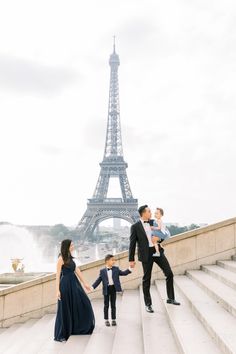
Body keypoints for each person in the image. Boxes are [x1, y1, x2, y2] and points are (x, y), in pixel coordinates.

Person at [129, 205, 180, 313]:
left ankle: (170, 298)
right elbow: (132, 244)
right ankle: (148, 304)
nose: (151, 213)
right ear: (143, 213)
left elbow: (165, 233)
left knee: (169, 273)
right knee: (146, 279)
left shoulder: (154, 222)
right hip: (145, 254)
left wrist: (159, 240)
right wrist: (131, 259)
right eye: (149, 211)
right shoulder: (135, 227)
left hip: (157, 251)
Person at [54, 239, 95, 342]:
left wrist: (85, 283)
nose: (73, 246)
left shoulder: (70, 258)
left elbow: (77, 270)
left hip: (74, 283)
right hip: (66, 285)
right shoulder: (61, 259)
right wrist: (57, 290)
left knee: (84, 302)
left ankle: (78, 327)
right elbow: (57, 275)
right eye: (71, 244)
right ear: (67, 246)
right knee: (66, 308)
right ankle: (64, 332)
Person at [91, 254, 132, 327]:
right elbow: (98, 280)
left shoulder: (116, 269)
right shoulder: (102, 271)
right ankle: (106, 320)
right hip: (106, 289)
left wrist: (130, 268)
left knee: (113, 305)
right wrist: (92, 287)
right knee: (106, 305)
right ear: (107, 261)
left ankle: (113, 319)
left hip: (113, 288)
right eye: (112, 260)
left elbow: (123, 273)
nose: (114, 261)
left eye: (114, 260)